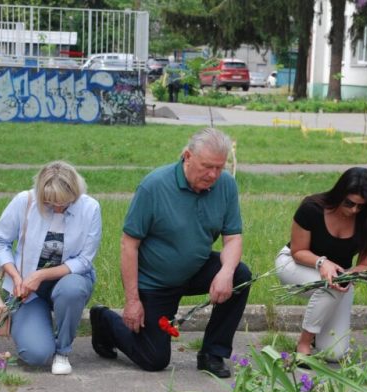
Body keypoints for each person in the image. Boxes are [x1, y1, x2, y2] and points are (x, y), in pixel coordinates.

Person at [89, 127, 250, 378]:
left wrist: (226, 272)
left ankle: (212, 353)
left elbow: (233, 238)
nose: (213, 175)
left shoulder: (226, 185)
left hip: (194, 269)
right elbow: (128, 244)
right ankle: (105, 320)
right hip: (155, 282)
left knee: (241, 274)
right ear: (187, 156)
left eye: (219, 167)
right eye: (207, 166)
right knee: (154, 359)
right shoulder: (154, 186)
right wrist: (132, 301)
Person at [0, 161, 101, 375]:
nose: (57, 208)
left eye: (65, 203)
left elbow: (85, 260)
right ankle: (38, 327)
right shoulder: (24, 201)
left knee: (72, 289)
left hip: (69, 280)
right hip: (27, 290)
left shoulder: (90, 208)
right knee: (36, 355)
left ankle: (62, 350)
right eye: (49, 203)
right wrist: (15, 275)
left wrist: (41, 275)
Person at [275, 167, 367, 360]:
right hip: (295, 264)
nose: (354, 210)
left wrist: (357, 272)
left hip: (338, 276)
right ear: (339, 193)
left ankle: (319, 330)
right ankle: (304, 344)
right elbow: (298, 251)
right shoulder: (312, 208)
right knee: (332, 283)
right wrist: (322, 263)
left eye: (361, 206)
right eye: (349, 203)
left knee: (334, 353)